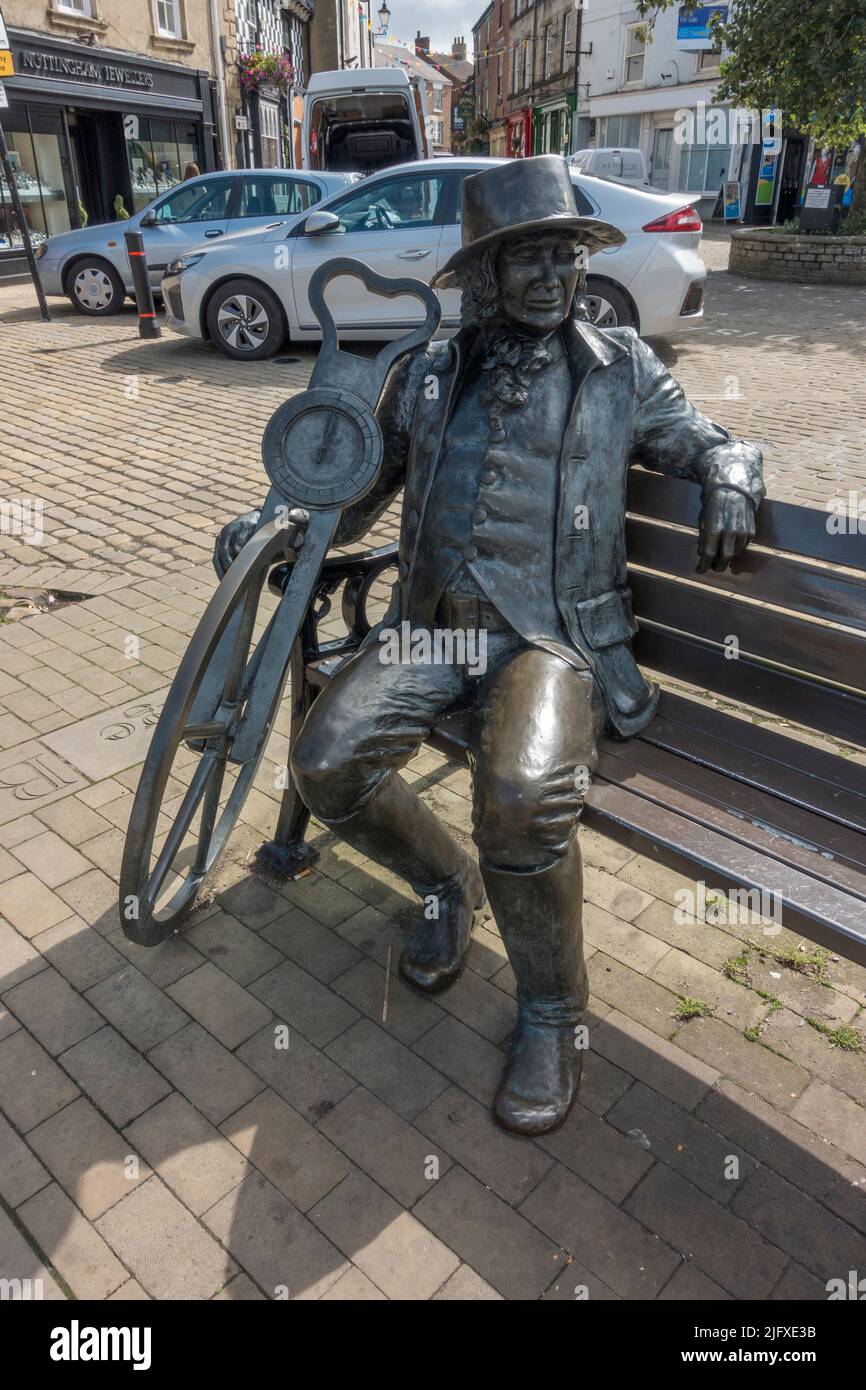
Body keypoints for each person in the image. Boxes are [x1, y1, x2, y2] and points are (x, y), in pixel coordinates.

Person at [215, 156, 764, 1136]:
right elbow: (356, 496)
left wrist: (728, 468)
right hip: (432, 632)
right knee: (327, 762)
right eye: (527, 259)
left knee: (517, 799)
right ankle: (441, 882)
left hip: (548, 642)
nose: (551, 275)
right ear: (484, 275)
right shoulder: (429, 372)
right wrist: (283, 536)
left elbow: (708, 438)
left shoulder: (620, 369)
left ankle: (551, 1009)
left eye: (562, 254)